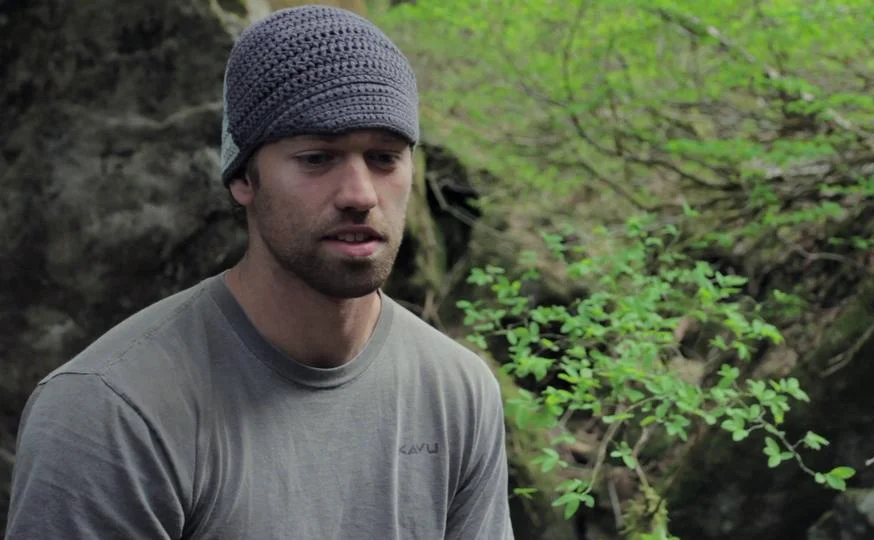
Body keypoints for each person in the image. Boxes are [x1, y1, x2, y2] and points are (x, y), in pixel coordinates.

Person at [5, 5, 514, 539]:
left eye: (385, 158)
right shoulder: (112, 411)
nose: (361, 194)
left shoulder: (457, 392)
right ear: (244, 178)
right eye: (318, 158)